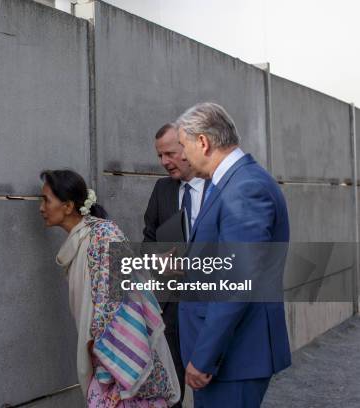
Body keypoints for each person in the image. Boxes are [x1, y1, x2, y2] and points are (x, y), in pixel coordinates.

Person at [175, 103, 291, 407]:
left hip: (232, 357)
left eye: (183, 146)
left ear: (203, 142)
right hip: (229, 355)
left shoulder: (244, 187)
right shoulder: (231, 183)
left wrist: (203, 358)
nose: (182, 156)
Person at [39, 169, 180, 408]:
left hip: (118, 363)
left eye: (46, 200)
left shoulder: (103, 236)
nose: (41, 208)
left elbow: (119, 303)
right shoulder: (82, 239)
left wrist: (103, 356)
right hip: (102, 358)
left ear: (68, 206)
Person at [142, 123, 209, 408]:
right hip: (169, 310)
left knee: (211, 388)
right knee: (171, 394)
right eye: (160, 156)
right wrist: (157, 260)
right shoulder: (161, 189)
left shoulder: (218, 187)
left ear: (189, 147)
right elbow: (148, 238)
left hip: (210, 307)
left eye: (169, 153)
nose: (164, 162)